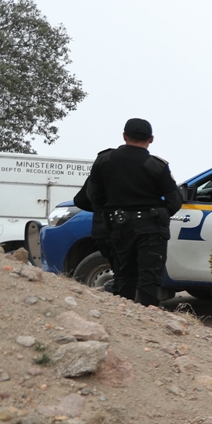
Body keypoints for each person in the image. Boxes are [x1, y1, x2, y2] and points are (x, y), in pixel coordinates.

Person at [85, 118, 181, 306]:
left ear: (124, 136)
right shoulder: (156, 165)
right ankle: (145, 316)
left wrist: (110, 210)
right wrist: (158, 214)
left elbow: (93, 195)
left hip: (118, 227)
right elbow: (175, 201)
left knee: (124, 275)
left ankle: (126, 317)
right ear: (151, 139)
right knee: (148, 277)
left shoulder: (105, 160)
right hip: (150, 229)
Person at [71, 147, 117, 293]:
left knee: (117, 268)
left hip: (103, 227)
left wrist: (99, 209)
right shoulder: (134, 173)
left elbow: (80, 200)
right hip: (130, 229)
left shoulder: (99, 173)